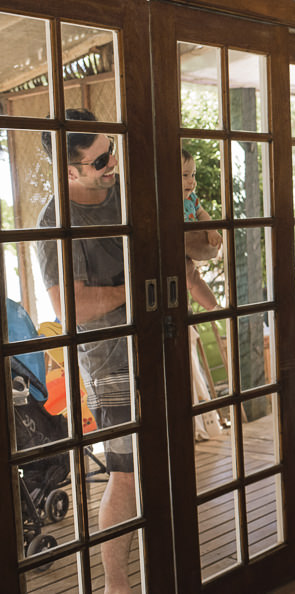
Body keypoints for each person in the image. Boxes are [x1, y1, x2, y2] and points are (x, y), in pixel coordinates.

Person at [36, 108, 135, 593]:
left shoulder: (128, 188)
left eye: (109, 151)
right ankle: (118, 588)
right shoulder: (55, 221)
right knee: (128, 474)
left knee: (171, 465)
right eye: (99, 161)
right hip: (112, 362)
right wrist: (136, 287)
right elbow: (74, 308)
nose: (111, 163)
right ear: (70, 170)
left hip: (161, 345)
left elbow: (202, 250)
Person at [181, 148, 222, 310]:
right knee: (190, 279)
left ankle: (213, 307)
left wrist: (211, 230)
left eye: (193, 174)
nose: (191, 181)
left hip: (190, 245)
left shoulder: (192, 198)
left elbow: (202, 214)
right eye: (185, 175)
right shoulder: (166, 199)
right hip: (173, 248)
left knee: (195, 280)